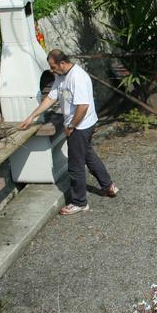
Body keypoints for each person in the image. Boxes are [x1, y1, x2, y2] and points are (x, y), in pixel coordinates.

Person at [19, 49, 118, 215]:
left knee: (75, 166)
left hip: (81, 126)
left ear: (62, 63)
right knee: (88, 155)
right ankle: (108, 185)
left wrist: (71, 126)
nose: (51, 70)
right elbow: (51, 97)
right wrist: (32, 116)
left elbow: (83, 107)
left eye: (53, 66)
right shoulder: (60, 76)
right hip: (78, 124)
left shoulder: (77, 78)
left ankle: (79, 202)